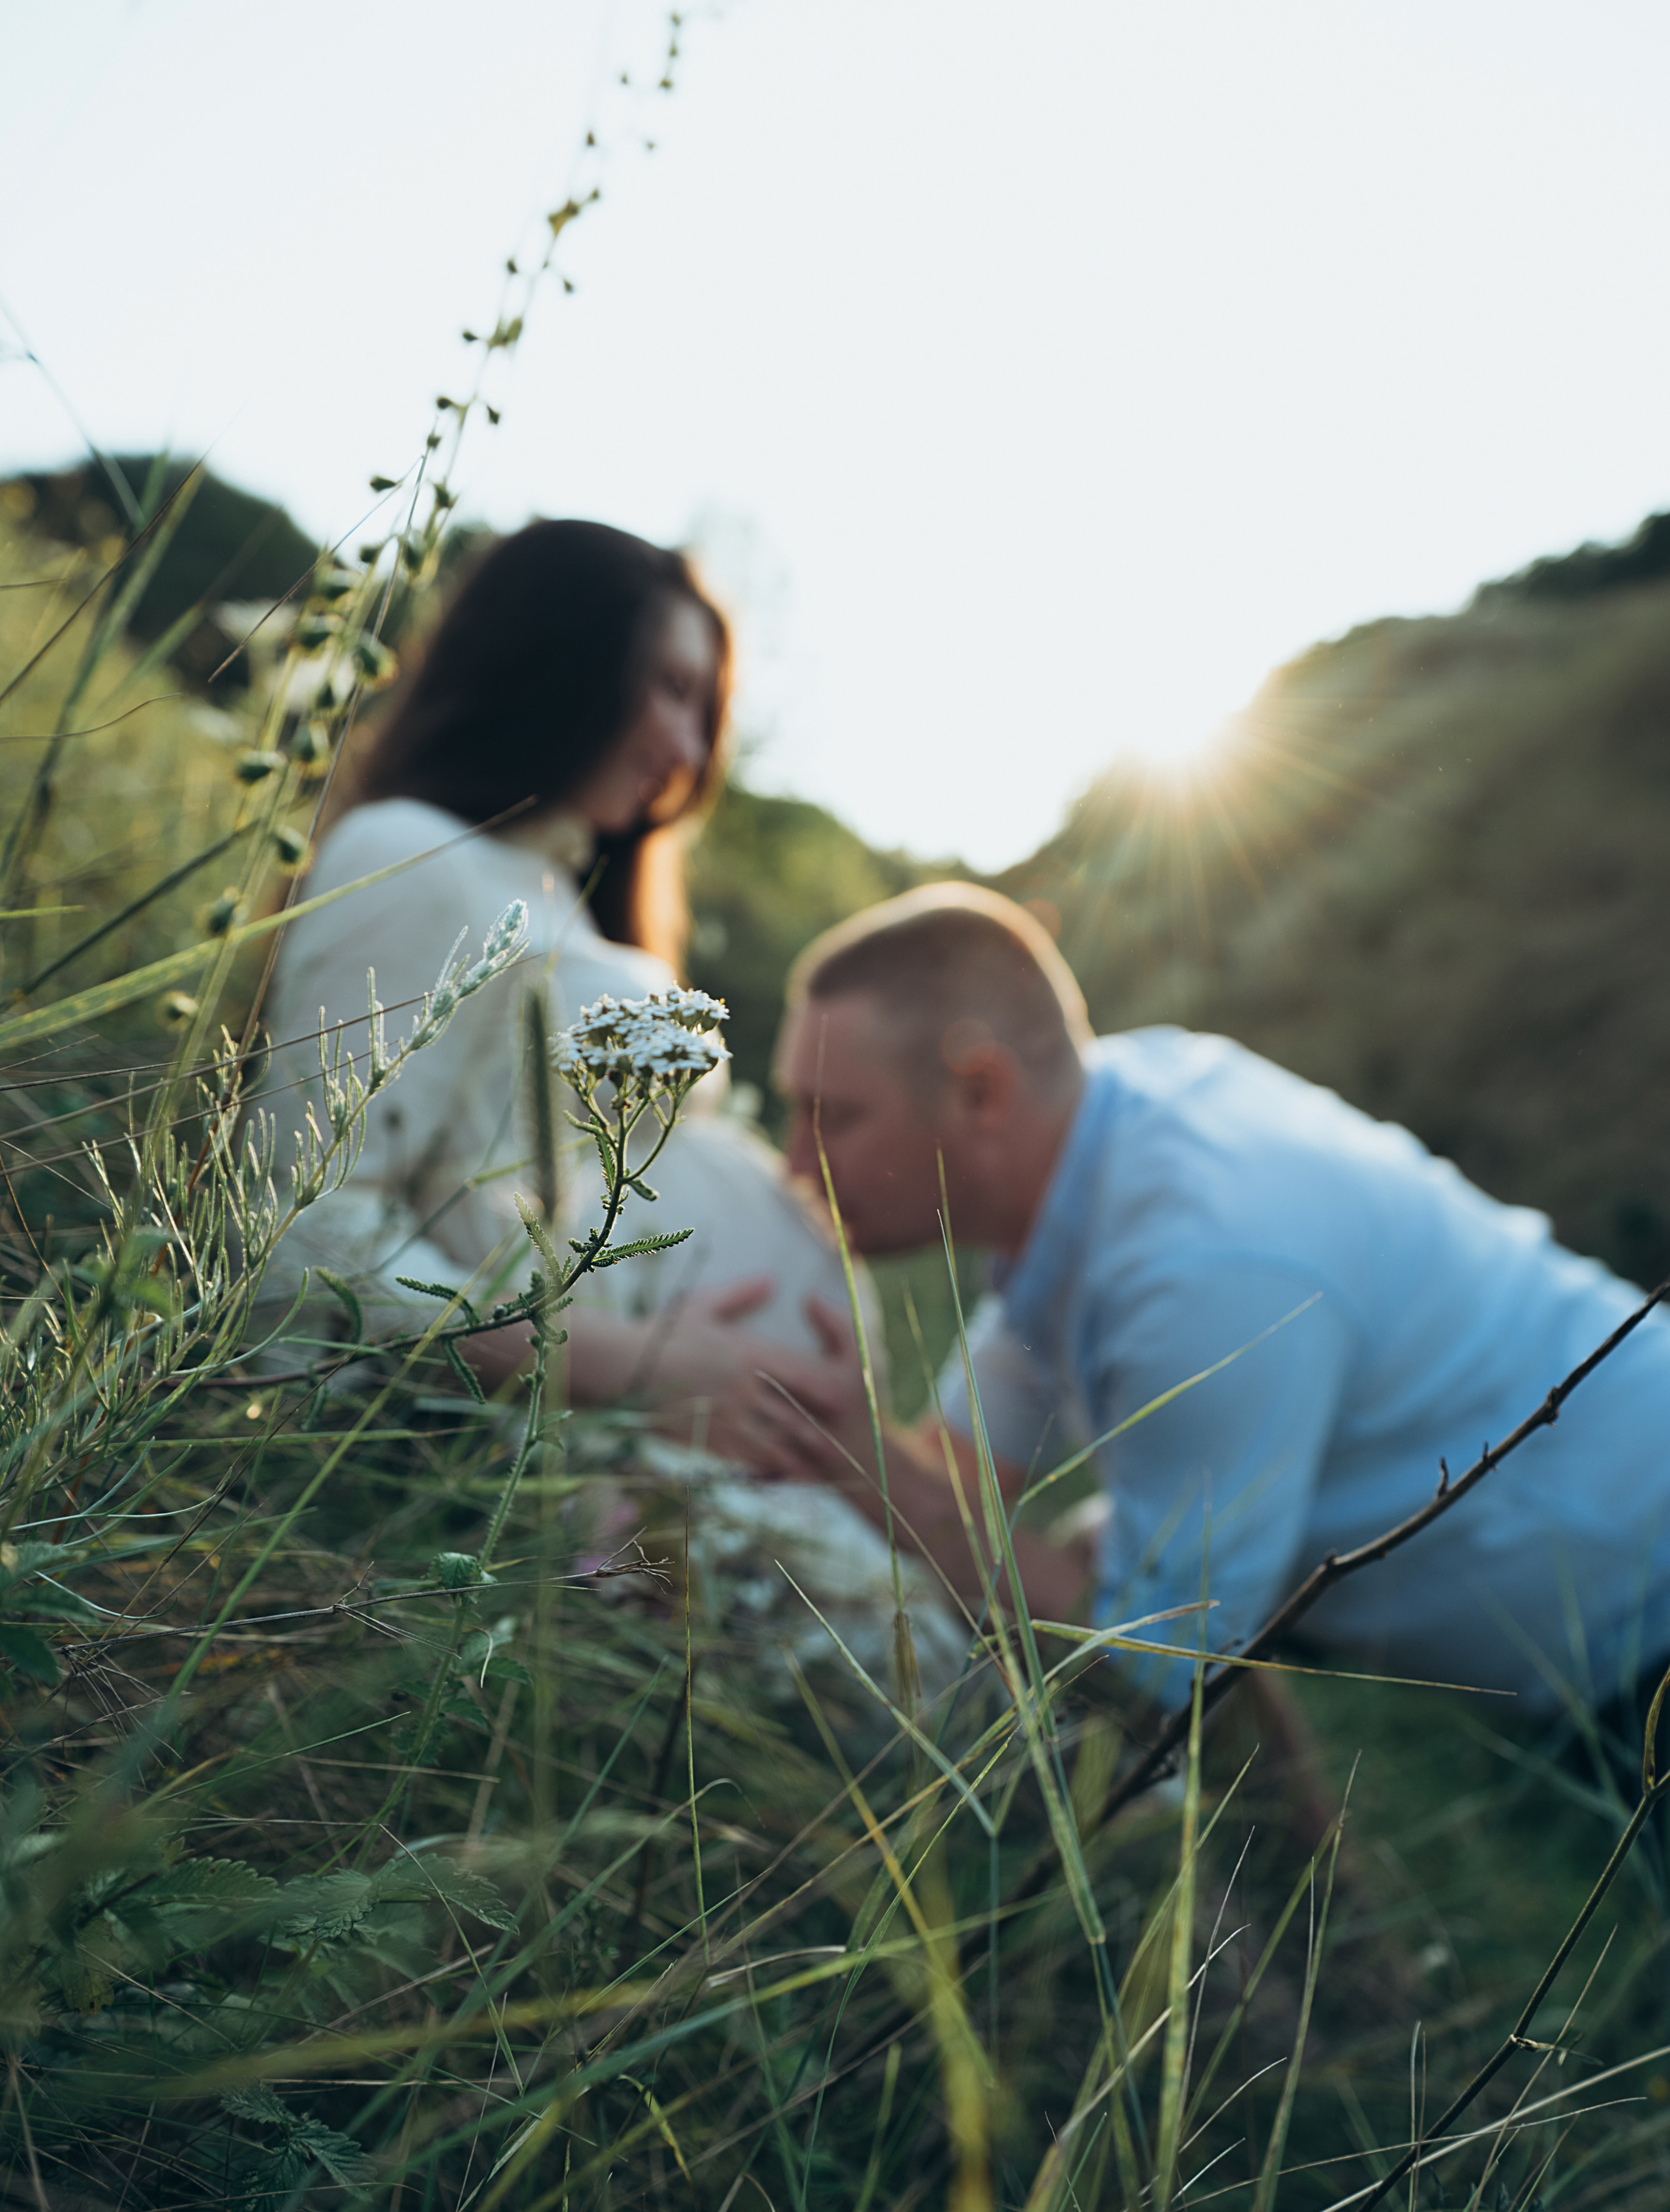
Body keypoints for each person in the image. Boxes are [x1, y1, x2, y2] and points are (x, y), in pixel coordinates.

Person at [767, 883, 1670, 1735]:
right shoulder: (1100, 1135)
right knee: (1095, 1555)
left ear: (982, 1092)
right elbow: (952, 1485)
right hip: (1603, 1611)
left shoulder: (1206, 1264)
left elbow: (1158, 1671)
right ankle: (1328, 1894)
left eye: (831, 1116)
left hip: (1649, 1599)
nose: (794, 1165)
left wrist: (862, 1462)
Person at [260, 519, 866, 1468]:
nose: (692, 748)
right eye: (671, 689)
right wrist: (635, 1365)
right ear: (559, 657)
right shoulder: (414, 854)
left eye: (706, 709)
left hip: (649, 1444)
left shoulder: (575, 908)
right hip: (493, 1470)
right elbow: (301, 1238)